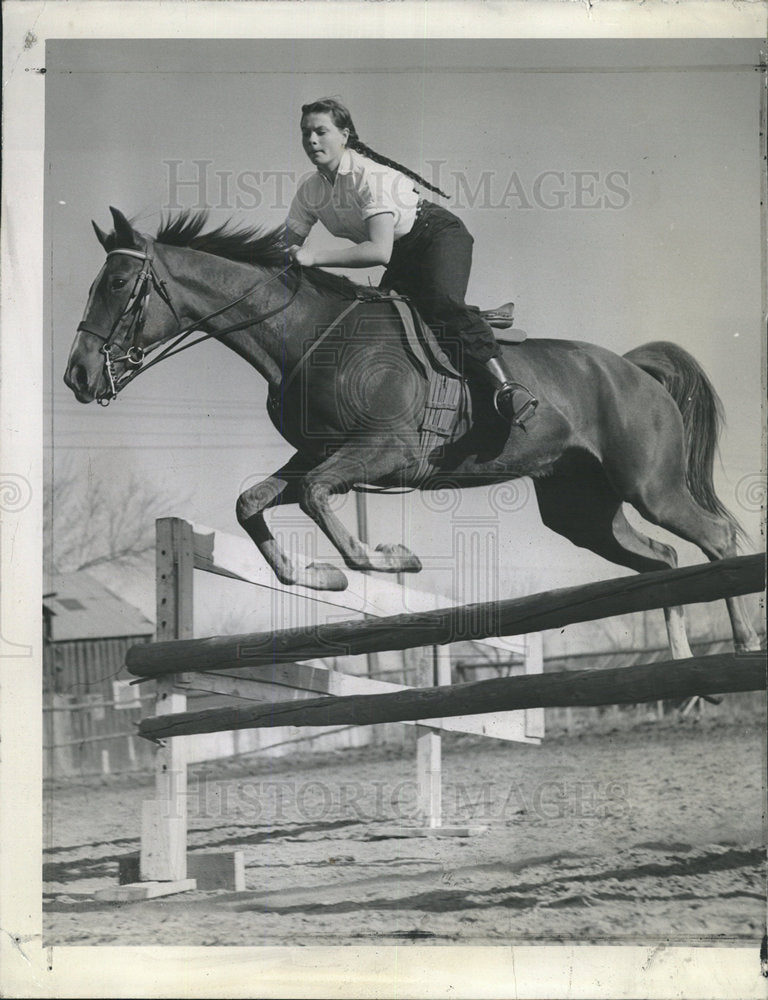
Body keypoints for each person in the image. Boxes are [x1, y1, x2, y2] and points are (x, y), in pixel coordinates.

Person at [285, 98, 538, 427]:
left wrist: (313, 257)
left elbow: (379, 252)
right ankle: (480, 316)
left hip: (437, 235)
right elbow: (285, 244)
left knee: (443, 305)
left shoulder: (369, 176)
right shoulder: (309, 191)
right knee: (380, 318)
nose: (312, 141)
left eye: (321, 132)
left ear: (344, 135)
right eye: (306, 133)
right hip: (404, 251)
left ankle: (507, 388)